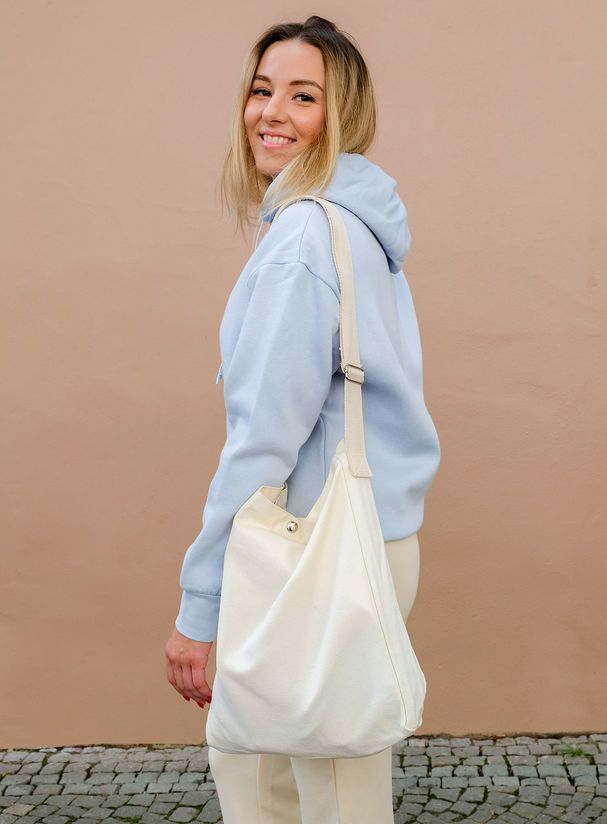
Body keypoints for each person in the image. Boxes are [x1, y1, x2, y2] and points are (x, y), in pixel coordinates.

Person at [165, 14, 441, 823]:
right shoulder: (357, 224)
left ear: (341, 115)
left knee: (281, 785)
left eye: (303, 96)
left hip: (312, 547)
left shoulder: (302, 241)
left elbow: (262, 443)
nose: (271, 113)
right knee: (319, 781)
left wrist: (199, 606)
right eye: (261, 90)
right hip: (370, 539)